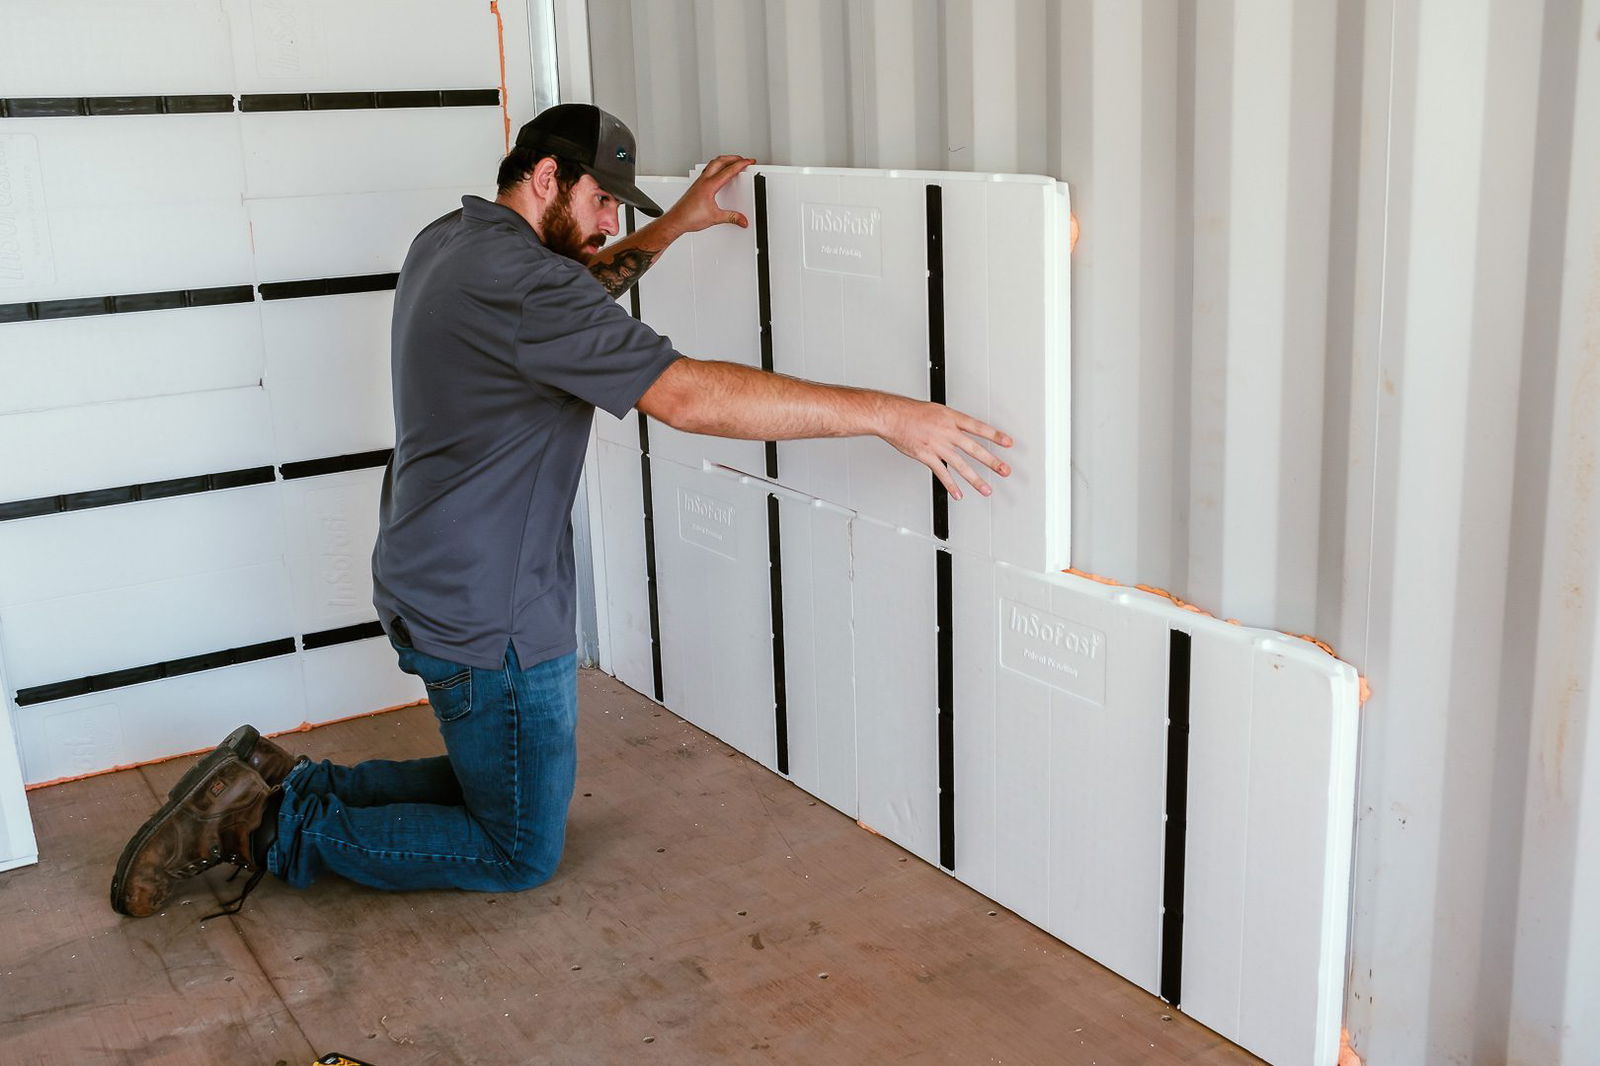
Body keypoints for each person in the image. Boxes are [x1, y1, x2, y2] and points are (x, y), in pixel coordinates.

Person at [111, 104, 1013, 919]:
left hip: (438, 570)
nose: (608, 224)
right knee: (516, 847)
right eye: (601, 202)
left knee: (495, 777)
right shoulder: (526, 287)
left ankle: (278, 782)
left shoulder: (454, 240)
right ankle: (261, 830)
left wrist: (670, 228)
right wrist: (892, 415)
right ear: (546, 179)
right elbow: (687, 397)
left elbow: (572, 292)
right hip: (491, 611)